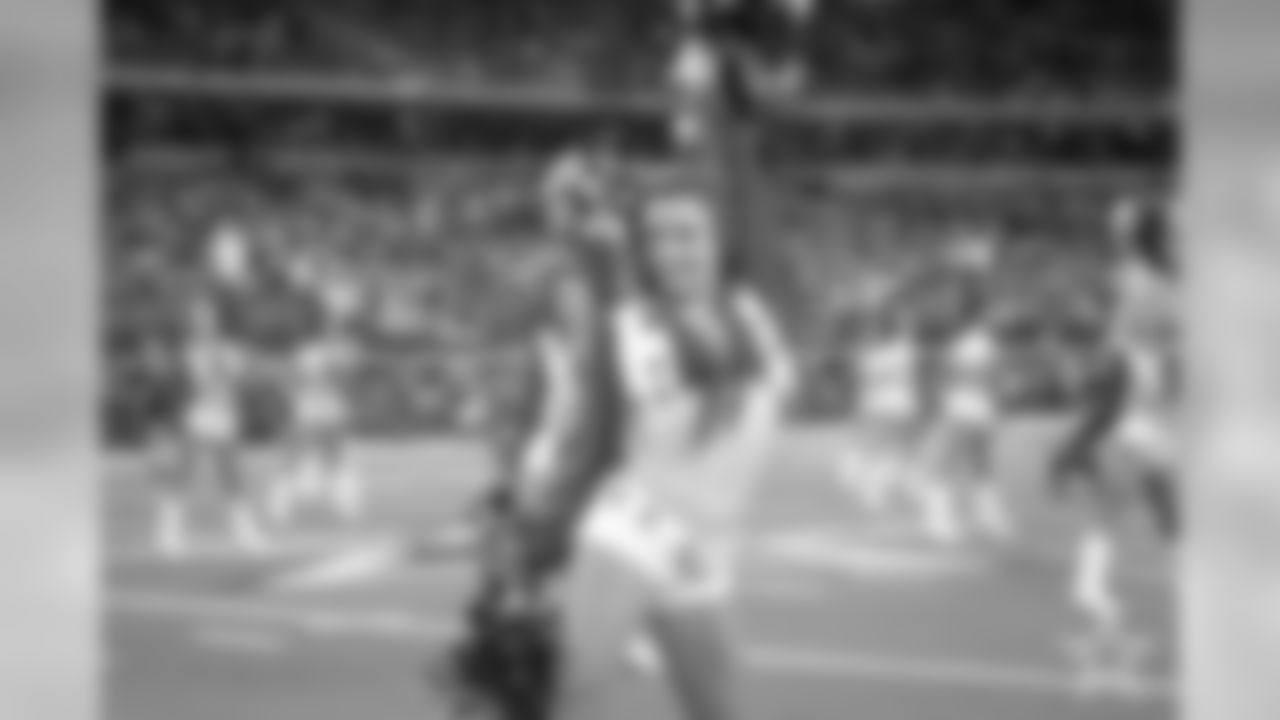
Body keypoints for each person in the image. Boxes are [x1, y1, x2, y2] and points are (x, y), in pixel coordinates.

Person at [1048, 198, 1178, 692]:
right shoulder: (1153, 284)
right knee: (1147, 504)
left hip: (1140, 409)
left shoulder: (1141, 285)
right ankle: (1094, 588)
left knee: (1128, 502)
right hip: (1145, 409)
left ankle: (1094, 591)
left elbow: (1123, 356)